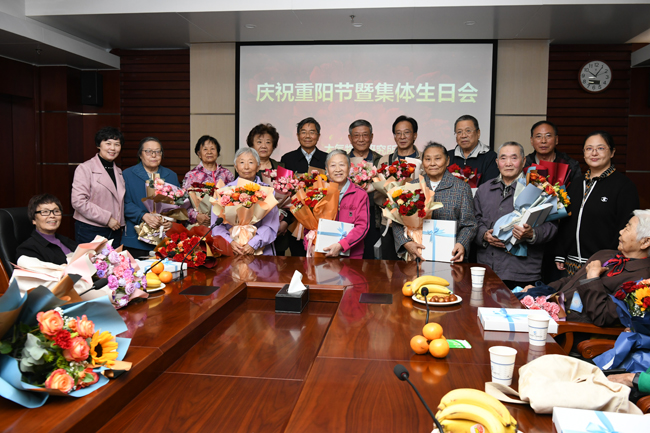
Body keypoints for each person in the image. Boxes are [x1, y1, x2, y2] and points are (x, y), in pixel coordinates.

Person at [538, 211, 650, 327]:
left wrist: (592, 279)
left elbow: (603, 317)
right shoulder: (605, 254)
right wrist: (539, 291)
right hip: (550, 312)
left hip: (570, 329)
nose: (621, 231)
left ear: (645, 242)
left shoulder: (642, 281)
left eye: (628, 228)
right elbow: (571, 280)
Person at [474, 141, 558, 290]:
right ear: (497, 162)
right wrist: (484, 235)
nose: (508, 163)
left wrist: (532, 234)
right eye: (503, 158)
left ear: (524, 161)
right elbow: (473, 220)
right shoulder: (484, 189)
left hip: (523, 271)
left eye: (514, 158)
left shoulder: (539, 188)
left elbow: (552, 225)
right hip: (487, 268)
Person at [554, 131, 639, 276]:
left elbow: (626, 226)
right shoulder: (576, 184)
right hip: (570, 265)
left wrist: (611, 260)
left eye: (600, 148)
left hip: (603, 266)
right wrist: (560, 253)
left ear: (612, 152)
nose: (594, 153)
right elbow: (565, 220)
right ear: (584, 153)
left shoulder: (624, 186)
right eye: (589, 148)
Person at [393, 142, 477, 262]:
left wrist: (461, 243)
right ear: (423, 162)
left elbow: (469, 224)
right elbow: (397, 221)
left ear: (447, 161)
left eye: (437, 158)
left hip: (450, 255)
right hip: (416, 255)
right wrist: (406, 243)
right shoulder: (411, 186)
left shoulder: (461, 188)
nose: (432, 163)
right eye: (428, 159)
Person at [213, 148, 279, 256]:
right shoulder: (224, 191)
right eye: (242, 162)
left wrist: (254, 243)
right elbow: (216, 225)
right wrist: (230, 242)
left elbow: (271, 224)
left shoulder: (267, 192)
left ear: (258, 166)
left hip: (261, 251)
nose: (246, 167)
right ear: (236, 167)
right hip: (231, 251)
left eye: (251, 162)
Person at [306, 150, 369, 259]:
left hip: (352, 257)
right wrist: (310, 246)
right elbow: (308, 226)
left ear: (349, 168)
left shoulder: (360, 194)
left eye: (342, 165)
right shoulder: (317, 193)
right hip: (322, 254)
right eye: (333, 165)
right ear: (326, 169)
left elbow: (362, 227)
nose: (338, 169)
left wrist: (341, 245)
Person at [122, 137, 179, 257]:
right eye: (148, 151)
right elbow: (123, 203)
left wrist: (171, 221)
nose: (153, 155)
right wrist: (143, 215)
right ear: (140, 154)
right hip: (136, 239)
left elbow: (178, 203)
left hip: (164, 239)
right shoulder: (127, 174)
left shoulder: (171, 175)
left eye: (157, 151)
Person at [375, 115, 422, 260]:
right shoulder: (385, 160)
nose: (402, 137)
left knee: (417, 265)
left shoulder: (424, 159)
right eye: (398, 133)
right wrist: (393, 201)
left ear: (415, 135)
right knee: (389, 266)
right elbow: (377, 194)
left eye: (407, 132)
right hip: (390, 223)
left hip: (417, 224)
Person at [71, 126, 126, 244]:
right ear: (98, 145)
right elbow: (78, 201)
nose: (113, 148)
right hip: (90, 229)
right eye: (108, 143)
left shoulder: (119, 172)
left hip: (115, 229)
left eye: (117, 144)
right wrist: (107, 219)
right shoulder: (85, 168)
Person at [247, 123, 290, 255]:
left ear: (274, 145)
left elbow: (292, 199)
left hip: (278, 229)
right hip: (251, 231)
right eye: (259, 142)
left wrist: (285, 222)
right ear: (252, 145)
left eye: (268, 142)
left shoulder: (282, 168)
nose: (264, 146)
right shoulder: (246, 169)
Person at [182, 135, 234, 227]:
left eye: (212, 149)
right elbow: (183, 203)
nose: (209, 152)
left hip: (222, 224)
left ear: (217, 152)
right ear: (199, 153)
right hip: (199, 225)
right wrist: (196, 216)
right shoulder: (191, 176)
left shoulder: (227, 174)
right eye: (205, 149)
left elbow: (234, 199)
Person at [348, 119, 381, 259]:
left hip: (374, 216)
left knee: (373, 260)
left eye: (365, 135)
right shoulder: (342, 161)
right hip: (347, 217)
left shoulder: (381, 161)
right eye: (356, 135)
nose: (361, 139)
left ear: (371, 137)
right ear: (350, 138)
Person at [16, 194, 78, 265]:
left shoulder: (67, 241)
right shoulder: (27, 249)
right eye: (45, 212)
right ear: (34, 220)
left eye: (56, 211)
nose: (52, 215)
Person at [525, 120, 582, 188]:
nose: (543, 141)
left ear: (556, 139)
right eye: (538, 136)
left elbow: (578, 190)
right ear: (531, 140)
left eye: (548, 136)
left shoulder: (571, 165)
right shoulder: (524, 164)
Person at [447, 114, 499, 187]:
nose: (463, 135)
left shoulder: (490, 157)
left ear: (478, 133)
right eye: (459, 132)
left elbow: (491, 187)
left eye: (468, 131)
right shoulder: (448, 156)